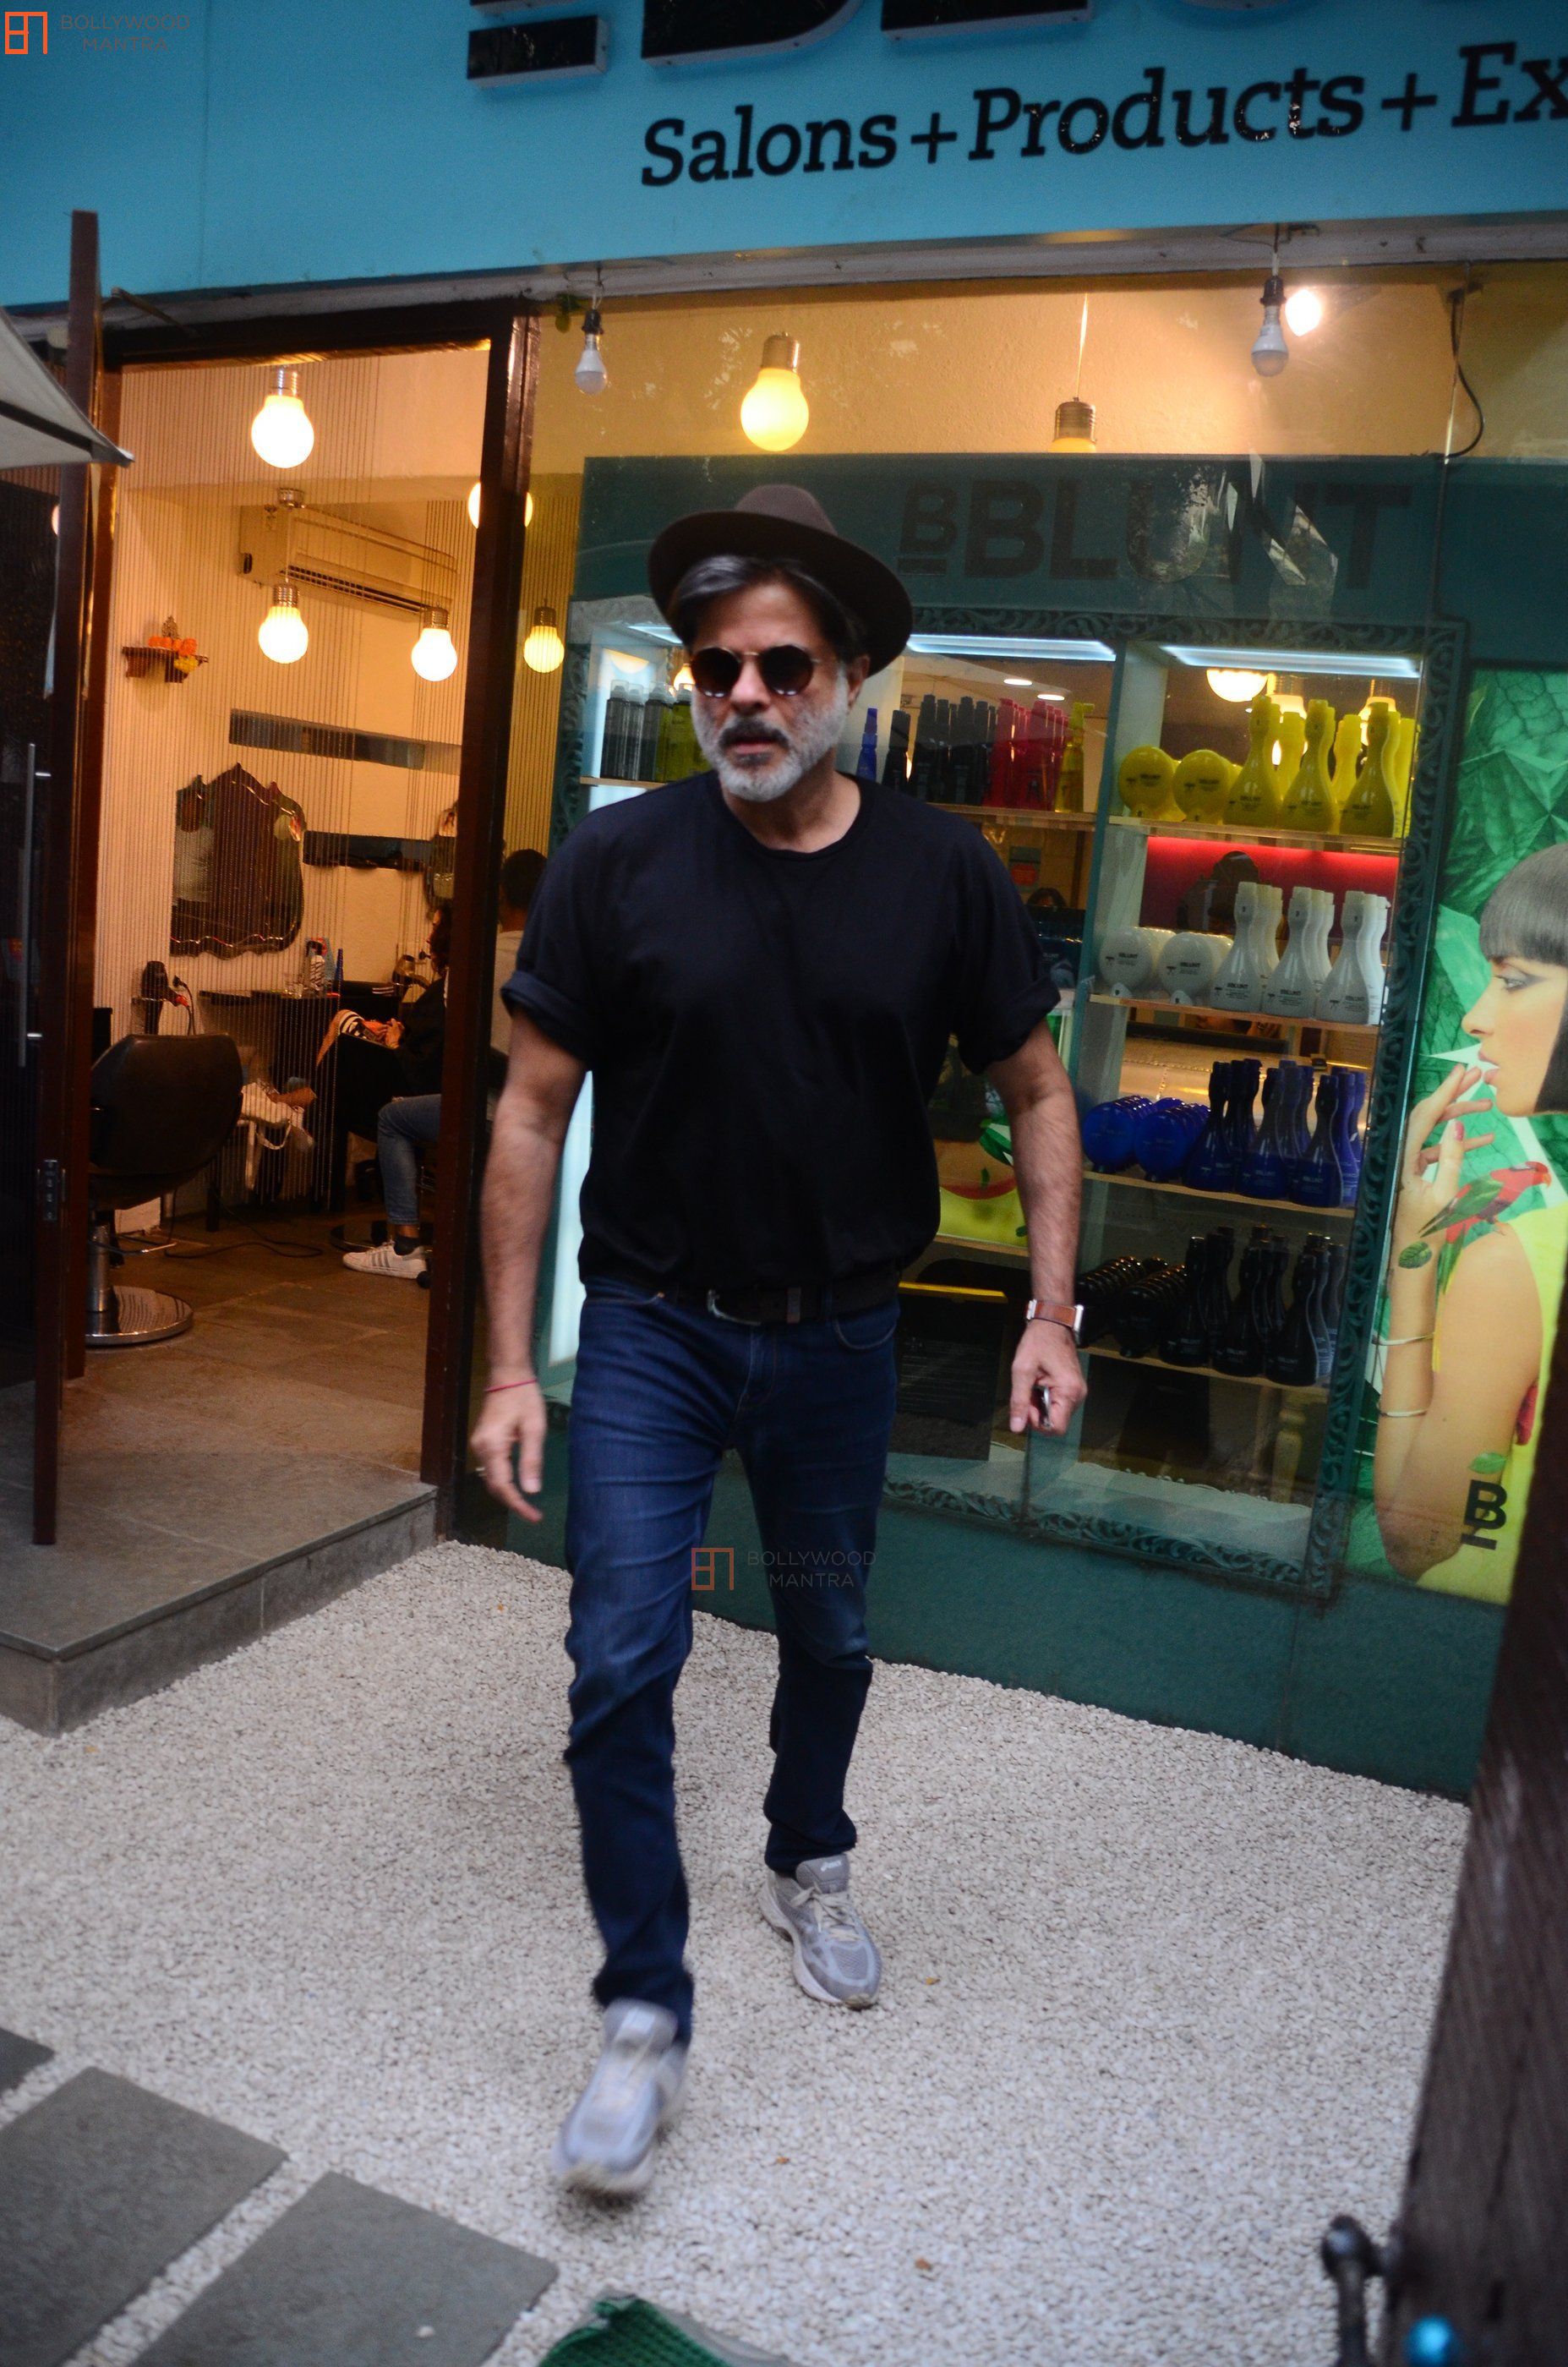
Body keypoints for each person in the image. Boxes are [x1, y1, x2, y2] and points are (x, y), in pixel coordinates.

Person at [473, 484, 1086, 2197]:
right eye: (714, 666)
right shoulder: (616, 864)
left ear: (852, 678)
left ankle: (806, 1853)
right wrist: (514, 1364)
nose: (743, 694)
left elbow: (1040, 1092)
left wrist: (1052, 1310)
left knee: (828, 1621)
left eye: (782, 664)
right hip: (654, 1334)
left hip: (838, 1345)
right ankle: (641, 2011)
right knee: (620, 1652)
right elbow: (528, 1113)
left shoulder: (944, 874)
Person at [1374, 841, 1568, 1597]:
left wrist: (1412, 1259)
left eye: (1512, 980)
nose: (1475, 1016)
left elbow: (1414, 1539)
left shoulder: (1518, 1268)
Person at [336, 908, 451, 1279]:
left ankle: (405, 1247)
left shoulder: (449, 990)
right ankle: (297, 1098)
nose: (429, 937)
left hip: (430, 1093)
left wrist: (396, 1043)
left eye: (436, 927)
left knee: (389, 1117)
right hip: (475, 1095)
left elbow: (424, 1067)